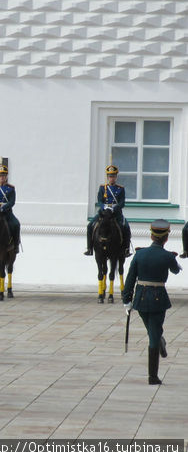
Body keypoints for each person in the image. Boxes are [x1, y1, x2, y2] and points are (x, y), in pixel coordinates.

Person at [122, 220, 181, 385]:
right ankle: (153, 376)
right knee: (154, 335)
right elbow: (176, 271)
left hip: (140, 297)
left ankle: (159, 339)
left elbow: (130, 278)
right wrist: (173, 258)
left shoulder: (139, 254)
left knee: (152, 330)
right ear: (166, 238)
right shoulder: (167, 256)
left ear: (151, 235)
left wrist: (126, 299)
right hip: (158, 298)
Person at [85, 164, 131, 258]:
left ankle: (126, 249)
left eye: (113, 176)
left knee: (126, 227)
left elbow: (122, 203)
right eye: (110, 176)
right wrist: (104, 207)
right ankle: (89, 248)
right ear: (107, 177)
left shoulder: (120, 189)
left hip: (115, 213)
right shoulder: (103, 188)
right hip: (104, 213)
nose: (112, 178)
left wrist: (114, 208)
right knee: (90, 226)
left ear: (116, 177)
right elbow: (99, 200)